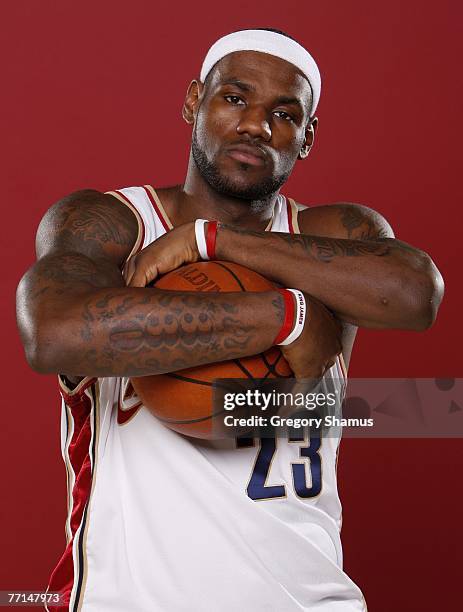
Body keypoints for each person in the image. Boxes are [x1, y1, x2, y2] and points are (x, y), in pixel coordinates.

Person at [16, 28, 443, 611]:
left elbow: (417, 295)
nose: (256, 126)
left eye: (284, 114)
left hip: (311, 599)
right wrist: (286, 315)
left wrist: (212, 241)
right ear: (194, 101)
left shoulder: (335, 232)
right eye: (235, 98)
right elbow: (54, 333)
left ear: (308, 138)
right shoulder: (114, 224)